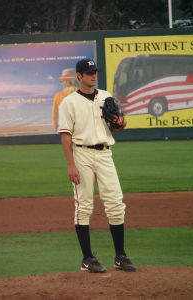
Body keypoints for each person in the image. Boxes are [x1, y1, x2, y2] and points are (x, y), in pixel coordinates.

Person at [58, 59, 136, 273]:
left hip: (105, 154)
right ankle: (87, 258)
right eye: (89, 72)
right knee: (83, 206)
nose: (94, 75)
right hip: (81, 154)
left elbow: (116, 127)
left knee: (115, 203)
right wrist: (70, 164)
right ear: (79, 76)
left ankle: (120, 256)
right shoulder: (69, 102)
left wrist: (121, 123)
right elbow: (66, 135)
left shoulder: (105, 96)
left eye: (95, 72)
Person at [52, 68, 78, 133]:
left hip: (64, 130)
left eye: (62, 81)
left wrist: (56, 131)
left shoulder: (58, 96)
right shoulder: (82, 94)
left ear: (66, 81)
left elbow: (54, 118)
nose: (62, 83)